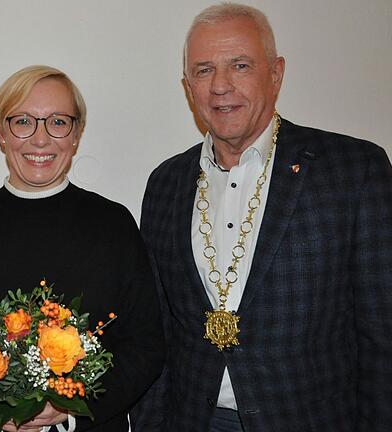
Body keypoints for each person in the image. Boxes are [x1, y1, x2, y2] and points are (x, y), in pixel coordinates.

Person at [130, 3, 392, 432]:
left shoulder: (353, 170)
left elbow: (384, 336)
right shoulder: (165, 184)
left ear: (276, 73)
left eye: (240, 65)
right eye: (203, 70)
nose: (220, 86)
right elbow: (158, 330)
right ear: (187, 87)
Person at [0, 65, 165, 432]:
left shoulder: (114, 225)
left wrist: (71, 407)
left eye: (58, 122)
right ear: (2, 133)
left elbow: (145, 344)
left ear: (76, 133)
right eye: (23, 122)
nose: (41, 139)